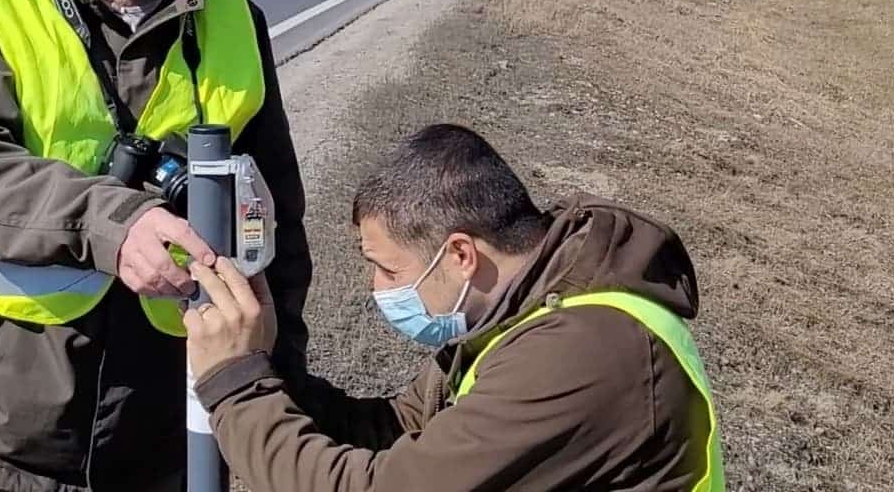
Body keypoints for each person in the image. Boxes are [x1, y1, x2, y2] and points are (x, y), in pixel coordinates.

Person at [0, 0, 313, 492]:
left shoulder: (232, 18)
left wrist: (280, 388)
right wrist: (115, 223)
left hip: (166, 427)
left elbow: (277, 224)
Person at [184, 123, 726, 491]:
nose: (377, 288)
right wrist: (271, 366)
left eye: (389, 269)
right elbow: (399, 428)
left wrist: (237, 385)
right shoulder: (527, 305)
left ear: (461, 254)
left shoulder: (583, 355)